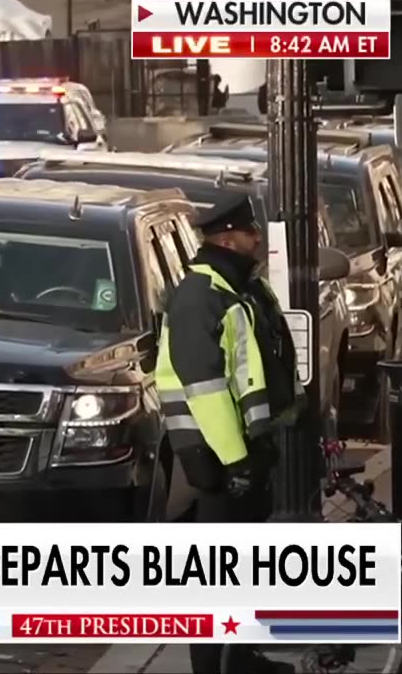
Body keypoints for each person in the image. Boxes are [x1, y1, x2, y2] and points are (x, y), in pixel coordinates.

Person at [154, 192, 303, 674]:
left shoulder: (237, 288)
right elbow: (207, 388)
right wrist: (235, 461)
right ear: (227, 237)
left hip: (246, 451)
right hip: (219, 460)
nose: (257, 237)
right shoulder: (201, 296)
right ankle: (216, 666)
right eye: (249, 230)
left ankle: (239, 657)